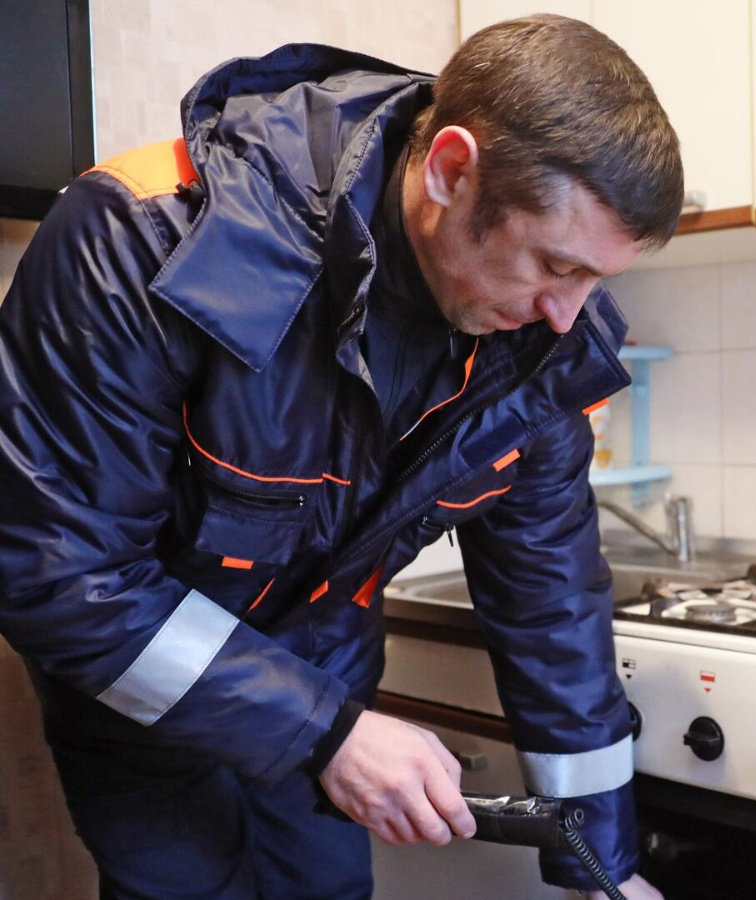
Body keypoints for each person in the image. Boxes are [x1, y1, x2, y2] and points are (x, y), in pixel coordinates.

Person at [0, 15, 678, 900]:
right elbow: (60, 574)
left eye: (596, 280)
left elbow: (551, 600)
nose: (568, 314)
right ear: (451, 170)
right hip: (143, 697)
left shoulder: (536, 343)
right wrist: (327, 733)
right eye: (555, 265)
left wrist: (604, 867)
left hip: (328, 677)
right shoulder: (140, 235)